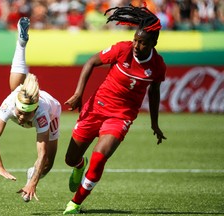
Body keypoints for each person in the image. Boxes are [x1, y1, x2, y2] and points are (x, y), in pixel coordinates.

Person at [63, 4, 167, 214]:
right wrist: (78, 94)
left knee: (100, 157)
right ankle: (78, 166)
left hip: (121, 116)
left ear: (154, 43)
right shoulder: (122, 49)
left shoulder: (157, 66)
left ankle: (74, 204)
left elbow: (154, 93)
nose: (136, 46)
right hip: (96, 108)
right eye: (135, 40)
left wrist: (154, 123)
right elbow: (91, 62)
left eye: (142, 43)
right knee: (70, 159)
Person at [0, 17, 61, 202]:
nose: (20, 117)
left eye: (26, 114)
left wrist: (33, 181)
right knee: (16, 89)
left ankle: (21, 45)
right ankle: (21, 43)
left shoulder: (43, 114)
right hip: (20, 93)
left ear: (34, 111)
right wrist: (0, 168)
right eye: (19, 112)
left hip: (54, 111)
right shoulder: (10, 103)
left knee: (48, 164)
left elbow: (42, 153)